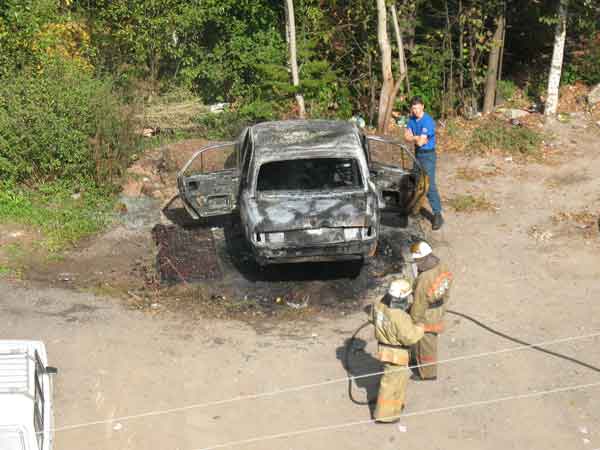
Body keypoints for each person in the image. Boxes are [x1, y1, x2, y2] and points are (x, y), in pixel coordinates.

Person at [372, 278, 425, 423]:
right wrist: (420, 327)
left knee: (396, 380)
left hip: (384, 348)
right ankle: (385, 415)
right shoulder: (399, 316)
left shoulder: (378, 303)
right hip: (397, 353)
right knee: (392, 384)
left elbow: (374, 318)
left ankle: (395, 407)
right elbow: (410, 337)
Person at [408, 241, 453, 380]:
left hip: (427, 314)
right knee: (426, 341)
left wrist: (413, 320)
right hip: (438, 309)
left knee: (426, 343)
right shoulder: (442, 265)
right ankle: (417, 360)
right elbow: (446, 287)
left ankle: (428, 373)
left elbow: (419, 303)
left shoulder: (424, 278)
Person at [404, 96, 444, 230]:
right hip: (417, 154)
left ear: (423, 107)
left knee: (429, 184)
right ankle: (414, 209)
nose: (415, 110)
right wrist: (417, 137)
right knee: (415, 181)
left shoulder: (428, 121)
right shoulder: (411, 120)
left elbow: (421, 142)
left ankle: (437, 214)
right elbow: (406, 137)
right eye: (413, 108)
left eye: (417, 107)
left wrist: (415, 138)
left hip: (428, 155)